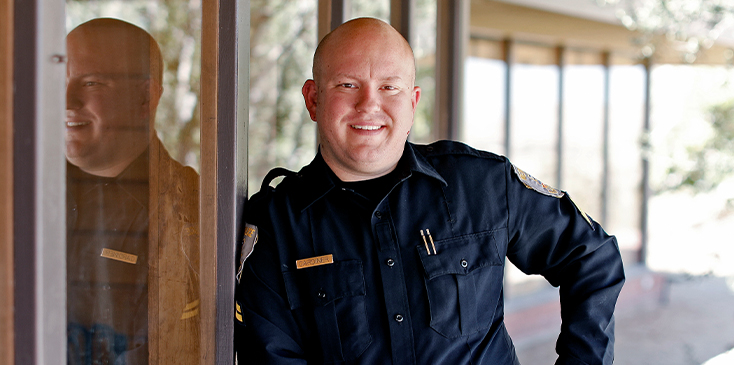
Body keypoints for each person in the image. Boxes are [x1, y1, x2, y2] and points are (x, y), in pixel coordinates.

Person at [235, 17, 625, 364]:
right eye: (348, 84)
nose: (369, 104)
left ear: (413, 102)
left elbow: (591, 257)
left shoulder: (481, 185)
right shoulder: (273, 226)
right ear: (314, 99)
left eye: (389, 87)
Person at [65, 18, 200, 365]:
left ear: (145, 97)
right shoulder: (19, 194)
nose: (67, 100)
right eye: (58, 81)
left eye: (92, 83)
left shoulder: (190, 207)